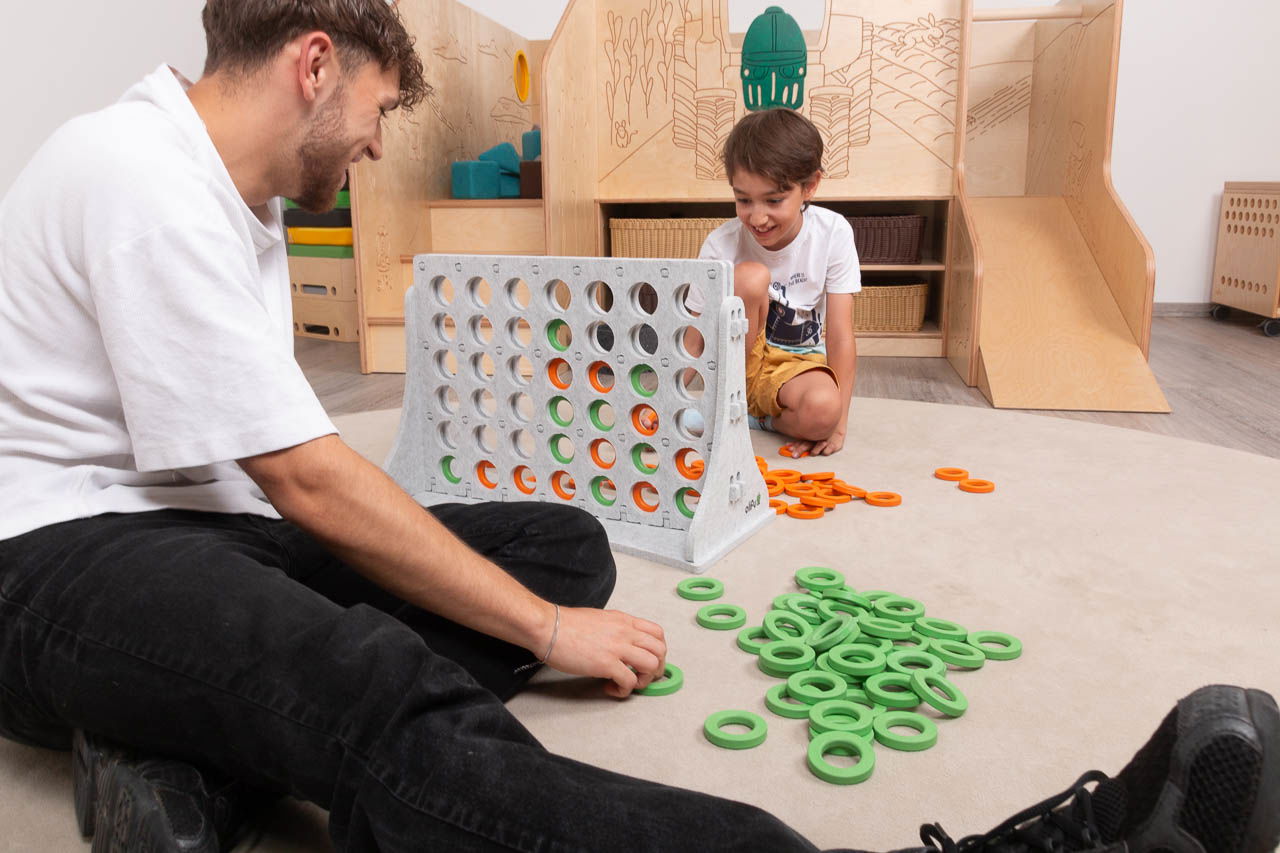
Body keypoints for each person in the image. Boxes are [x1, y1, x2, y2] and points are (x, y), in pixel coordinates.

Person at [0, 2, 1276, 852]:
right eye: (383, 111)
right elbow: (311, 481)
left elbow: (264, 482)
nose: (379, 146)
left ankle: (173, 732)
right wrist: (545, 638)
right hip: (57, 560)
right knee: (370, 681)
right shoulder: (142, 178)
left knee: (559, 544)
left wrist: (541, 601)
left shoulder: (236, 202)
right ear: (315, 62)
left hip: (195, 538)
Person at [685, 108, 860, 457]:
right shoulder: (722, 243)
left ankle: (753, 418)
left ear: (809, 186)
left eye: (774, 200)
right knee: (751, 277)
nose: (758, 217)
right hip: (740, 367)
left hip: (798, 368)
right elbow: (694, 338)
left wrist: (836, 425)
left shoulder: (833, 232)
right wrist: (660, 402)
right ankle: (733, 404)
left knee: (826, 409)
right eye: (743, 200)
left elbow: (841, 335)